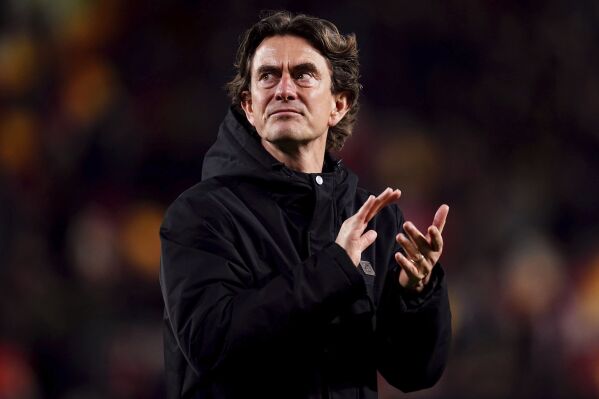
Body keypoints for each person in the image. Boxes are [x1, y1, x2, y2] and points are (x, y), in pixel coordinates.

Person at [159, 10, 451, 399]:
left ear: (339, 104)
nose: (283, 89)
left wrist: (415, 294)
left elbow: (414, 372)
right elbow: (210, 343)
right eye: (267, 76)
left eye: (303, 74)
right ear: (249, 106)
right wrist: (334, 267)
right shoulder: (202, 215)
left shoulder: (371, 217)